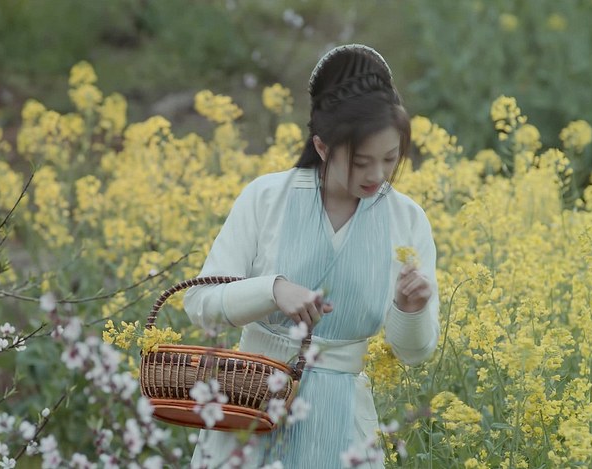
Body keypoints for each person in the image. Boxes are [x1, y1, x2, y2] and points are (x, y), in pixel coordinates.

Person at [183, 44, 440, 468]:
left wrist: (410, 308)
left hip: (343, 428)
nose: (377, 175)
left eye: (390, 159)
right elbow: (199, 302)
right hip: (250, 408)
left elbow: (415, 352)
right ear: (322, 147)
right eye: (361, 161)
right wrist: (272, 290)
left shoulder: (407, 220)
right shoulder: (266, 198)